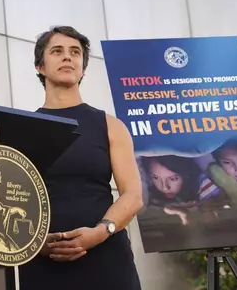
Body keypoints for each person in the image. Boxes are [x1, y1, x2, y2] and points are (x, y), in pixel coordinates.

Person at [18, 26, 143, 290]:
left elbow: (133, 196)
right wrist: (34, 244)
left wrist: (100, 232)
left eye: (75, 52)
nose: (67, 57)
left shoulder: (110, 125)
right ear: (40, 66)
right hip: (42, 263)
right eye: (57, 51)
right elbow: (8, 200)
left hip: (107, 260)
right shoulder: (21, 128)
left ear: (83, 68)